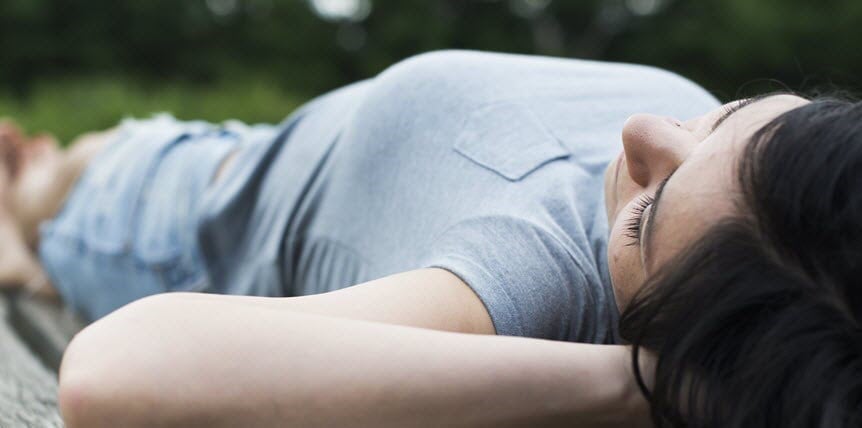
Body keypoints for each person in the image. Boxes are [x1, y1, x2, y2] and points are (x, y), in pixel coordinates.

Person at [1, 50, 858, 426]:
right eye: (733, 119)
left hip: (157, 213)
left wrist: (654, 389)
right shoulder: (788, 215)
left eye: (646, 212)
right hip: (246, 145)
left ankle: (21, 229)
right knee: (66, 154)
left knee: (55, 176)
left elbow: (119, 373)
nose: (644, 131)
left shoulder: (533, 272)